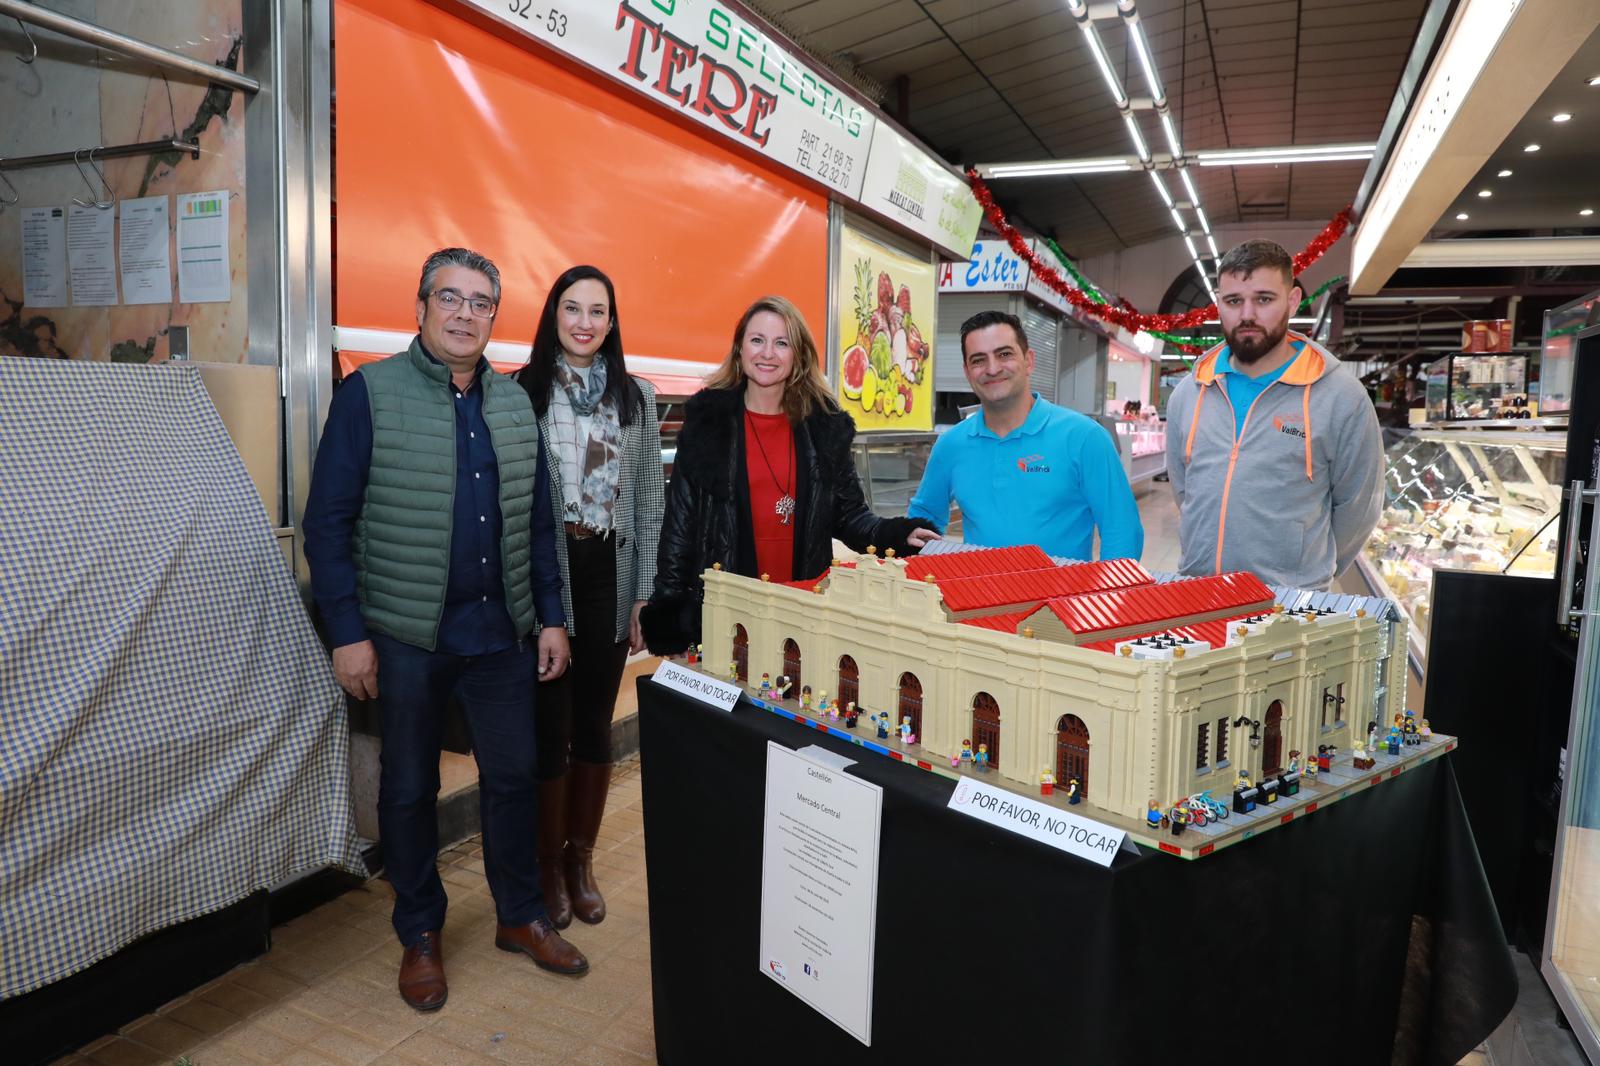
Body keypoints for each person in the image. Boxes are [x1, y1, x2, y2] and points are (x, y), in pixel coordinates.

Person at [302, 248, 588, 1012]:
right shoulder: (369, 394)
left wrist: (551, 619)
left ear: (496, 315)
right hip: (403, 637)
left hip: (501, 635)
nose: (465, 314)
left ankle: (519, 914)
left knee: (514, 778)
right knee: (407, 788)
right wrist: (347, 632)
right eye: (450, 298)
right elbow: (325, 524)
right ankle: (420, 932)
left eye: (481, 302)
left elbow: (534, 529)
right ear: (421, 307)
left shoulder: (510, 404)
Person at [641, 295, 938, 653]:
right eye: (757, 340)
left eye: (781, 343)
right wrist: (669, 609)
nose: (768, 353)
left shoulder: (823, 427)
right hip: (726, 611)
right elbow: (679, 526)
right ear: (739, 350)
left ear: (798, 355)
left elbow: (851, 516)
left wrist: (900, 534)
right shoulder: (708, 424)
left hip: (803, 607)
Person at [514, 265, 664, 931]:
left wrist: (645, 597)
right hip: (550, 568)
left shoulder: (634, 397)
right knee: (551, 725)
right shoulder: (522, 391)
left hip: (611, 567)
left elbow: (650, 502)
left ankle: (580, 862)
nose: (583, 321)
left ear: (611, 320)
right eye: (571, 308)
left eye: (597, 310)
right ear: (554, 316)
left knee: (595, 723)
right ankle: (545, 867)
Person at [1165, 239, 1382, 590]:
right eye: (1234, 301)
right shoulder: (1191, 392)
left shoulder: (1341, 397)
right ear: (1219, 304)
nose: (1247, 314)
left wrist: (1303, 575)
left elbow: (1359, 509)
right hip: (1199, 594)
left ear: (1292, 301)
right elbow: (1184, 492)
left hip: (1289, 607)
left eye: (1264, 299)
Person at [908, 309, 1143, 561]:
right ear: (967, 371)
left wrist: (1105, 597)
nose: (992, 368)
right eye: (978, 360)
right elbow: (924, 519)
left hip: (1058, 599)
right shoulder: (951, 445)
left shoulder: (1084, 438)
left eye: (1004, 354)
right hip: (978, 596)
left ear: (1028, 360)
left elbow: (1122, 531)